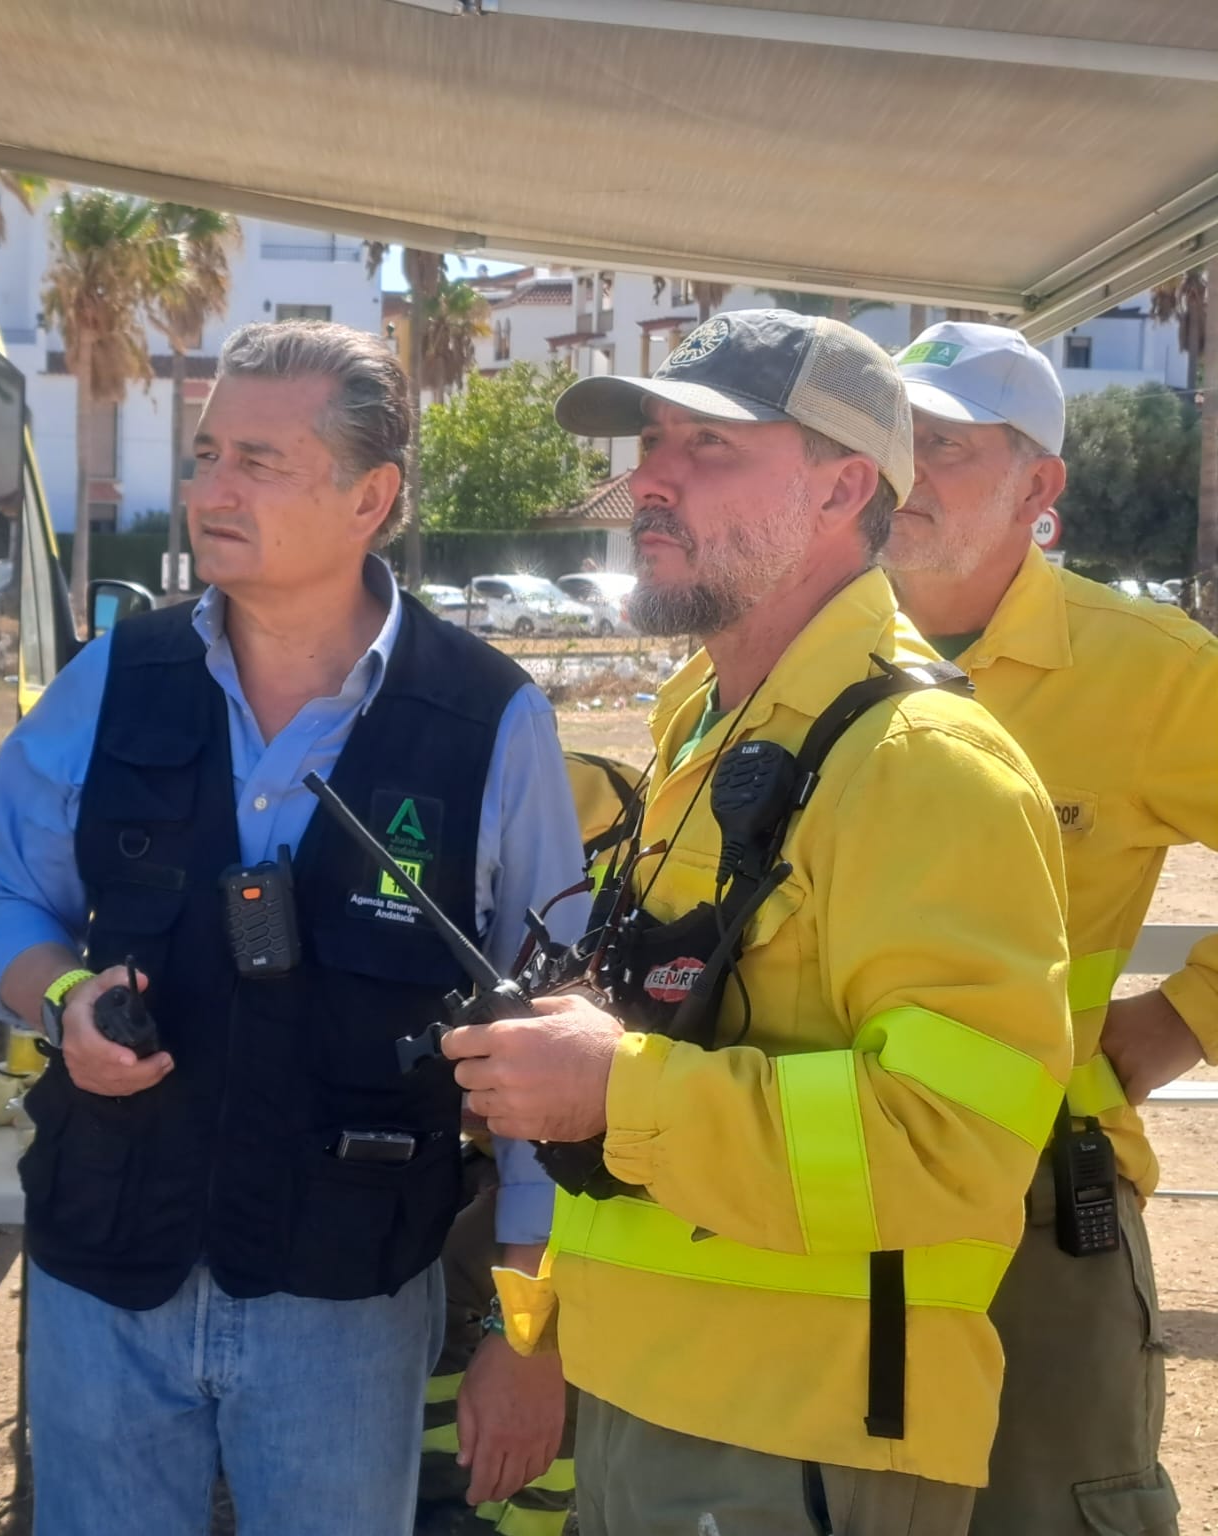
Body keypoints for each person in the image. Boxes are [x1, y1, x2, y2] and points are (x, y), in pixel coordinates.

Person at [451, 310, 1073, 1534]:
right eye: (652, 440)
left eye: (710, 446)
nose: (651, 478)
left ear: (845, 488)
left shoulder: (921, 762)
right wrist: (537, 1317)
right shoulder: (711, 723)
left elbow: (954, 1145)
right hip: (641, 1401)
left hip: (804, 1440)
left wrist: (612, 1086)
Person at [0, 319, 587, 1536]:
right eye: (205, 455)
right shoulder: (110, 679)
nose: (211, 490)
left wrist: (528, 1329)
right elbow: (7, 905)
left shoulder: (488, 723)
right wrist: (61, 1000)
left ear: (370, 498)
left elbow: (546, 1041)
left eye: (258, 461)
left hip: (345, 1300)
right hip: (107, 1274)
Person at [886, 319, 1218, 1535]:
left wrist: (1183, 1016)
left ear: (1037, 489)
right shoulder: (792, 651)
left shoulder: (1149, 672)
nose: (906, 470)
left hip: (1035, 1204)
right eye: (892, 439)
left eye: (945, 446)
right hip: (808, 1185)